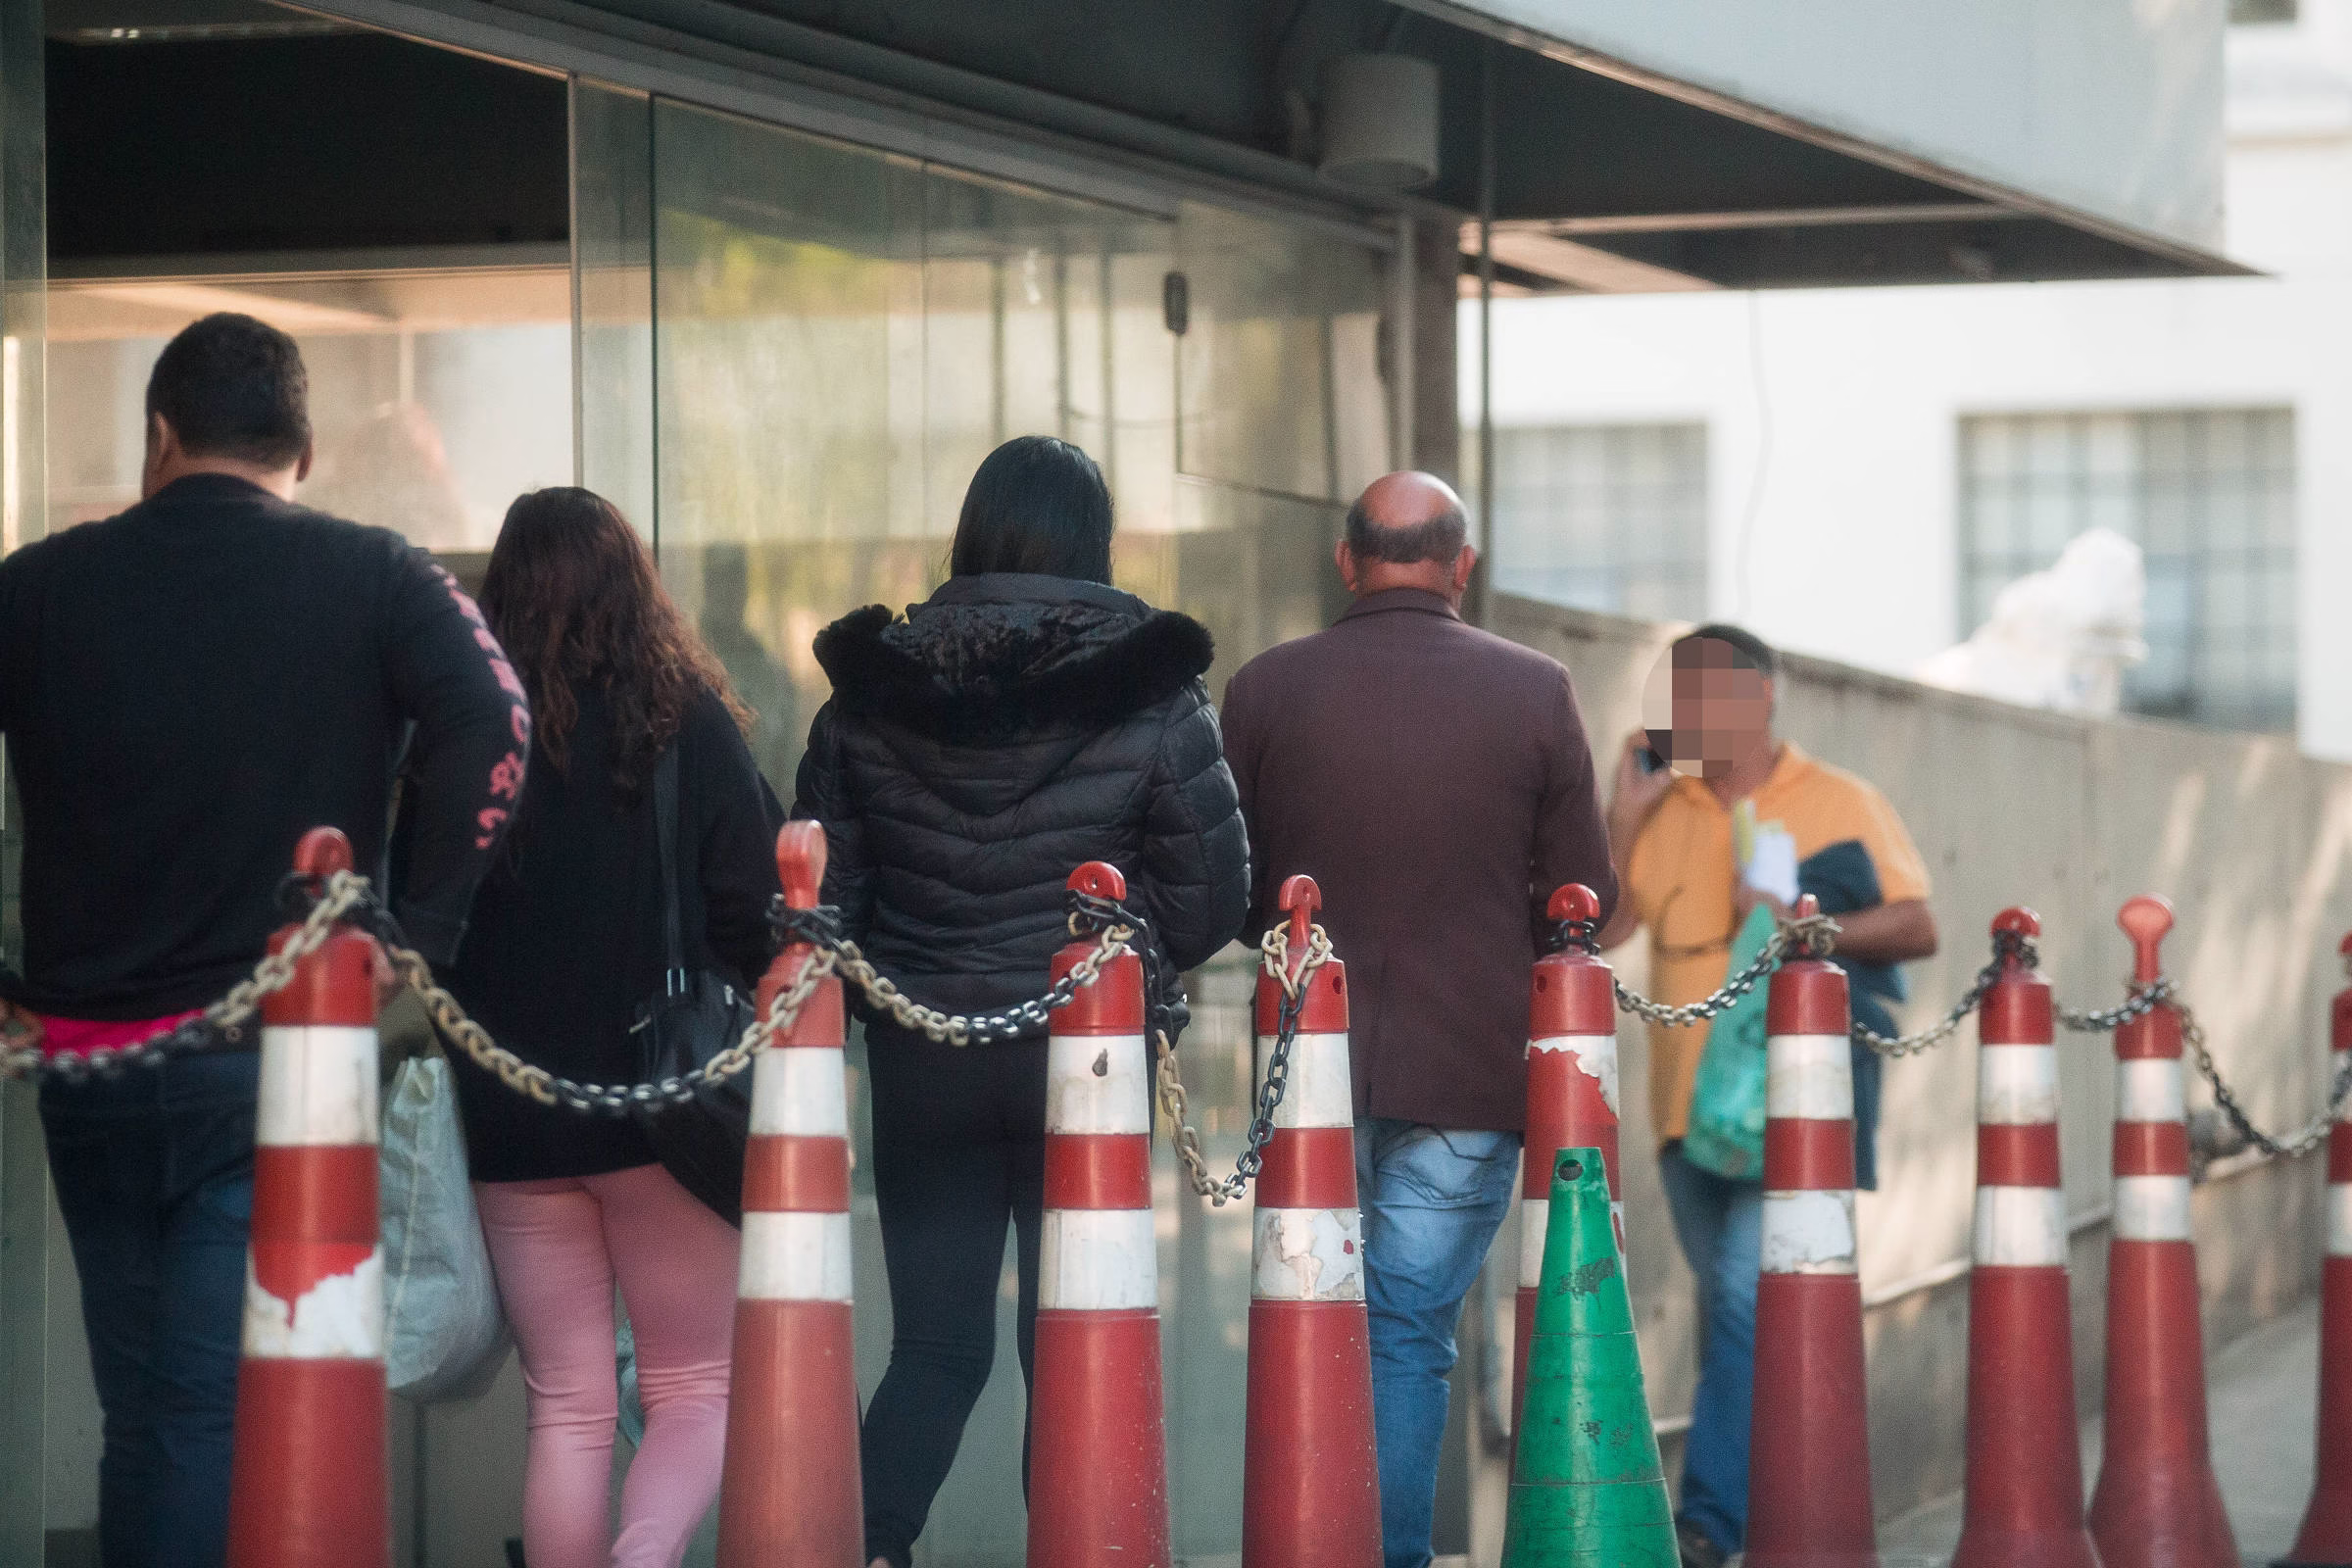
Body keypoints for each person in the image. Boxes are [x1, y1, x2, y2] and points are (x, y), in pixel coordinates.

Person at [0, 312, 529, 1567]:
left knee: (154, 1414)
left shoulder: (34, 586)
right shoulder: (371, 573)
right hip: (278, 1060)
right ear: (301, 448)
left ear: (160, 438)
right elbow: (494, 716)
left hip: (88, 1063)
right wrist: (418, 928)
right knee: (218, 1411)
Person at [793, 434, 1250, 1568]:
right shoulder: (1153, 693)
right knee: (1077, 1341)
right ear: (1094, 545)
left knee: (937, 1347)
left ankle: (872, 1547)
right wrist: (1124, 949)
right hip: (1085, 1064)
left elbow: (819, 899)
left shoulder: (871, 696)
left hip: (926, 1052)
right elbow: (1211, 900)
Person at [1218, 470, 1616, 1568]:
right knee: (1402, 1338)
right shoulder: (1536, 691)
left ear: (1345, 560)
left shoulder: (1262, 690)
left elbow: (1234, 892)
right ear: (1463, 566)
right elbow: (1583, 896)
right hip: (1470, 1075)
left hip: (1303, 1075)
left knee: (1306, 1327)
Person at [438, 488, 782, 1568]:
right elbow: (757, 906)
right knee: (694, 1389)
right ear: (636, 587)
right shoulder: (687, 722)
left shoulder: (467, 736)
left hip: (513, 1126)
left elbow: (422, 918)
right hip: (662, 1114)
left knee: (568, 1408)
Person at [1592, 624, 1938, 1568]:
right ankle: (1784, 1503)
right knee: (1733, 1309)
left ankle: (1708, 1526)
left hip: (1793, 1106)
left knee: (1747, 1301)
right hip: (1684, 1112)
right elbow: (1607, 932)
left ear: (1761, 697)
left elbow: (1917, 924)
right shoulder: (1667, 806)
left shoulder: (1837, 799)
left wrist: (1804, 925)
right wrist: (1624, 812)